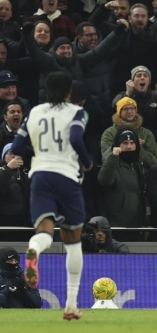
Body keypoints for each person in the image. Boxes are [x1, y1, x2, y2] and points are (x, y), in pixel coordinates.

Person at [10, 71, 93, 320]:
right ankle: (70, 305)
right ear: (69, 92)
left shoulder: (34, 112)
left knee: (44, 232)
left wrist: (38, 150)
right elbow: (77, 138)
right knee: (73, 240)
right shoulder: (77, 112)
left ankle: (34, 249)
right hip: (66, 176)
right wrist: (87, 162)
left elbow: (16, 147)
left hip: (40, 175)